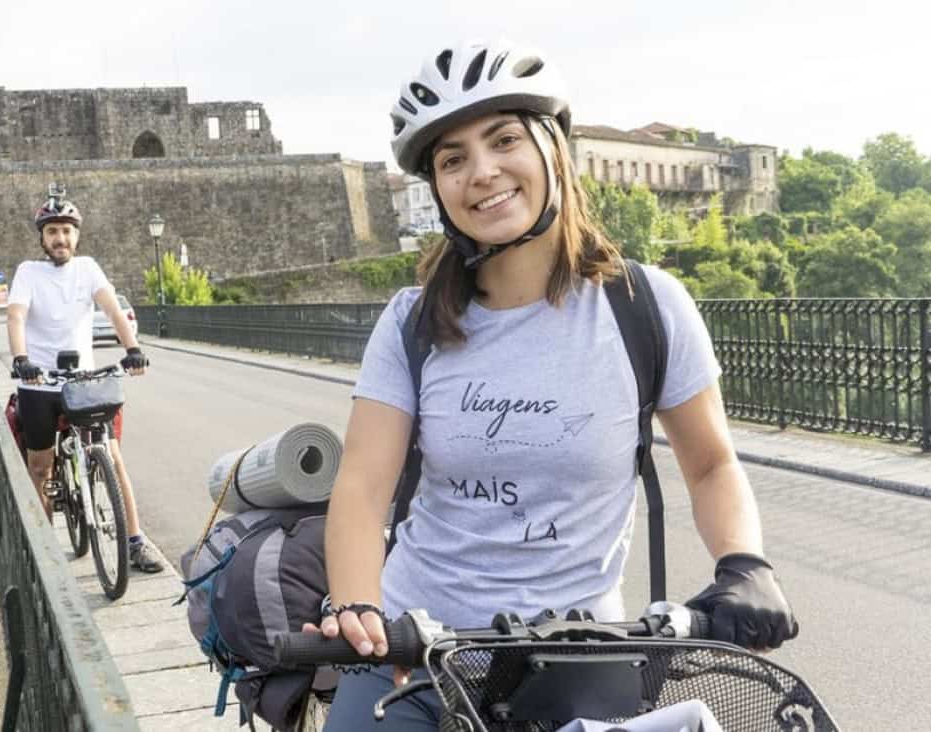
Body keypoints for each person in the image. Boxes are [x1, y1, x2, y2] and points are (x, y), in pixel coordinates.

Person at [313, 39, 798, 729]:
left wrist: (745, 564)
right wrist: (361, 611)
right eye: (452, 159)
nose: (482, 172)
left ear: (553, 149)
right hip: (418, 651)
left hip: (579, 655)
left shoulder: (646, 307)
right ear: (439, 188)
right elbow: (363, 489)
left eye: (504, 140)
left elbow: (712, 464)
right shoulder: (411, 323)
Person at [7, 191, 164, 574]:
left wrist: (133, 348)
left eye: (66, 231)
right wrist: (21, 359)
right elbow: (16, 316)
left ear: (76, 236)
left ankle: (135, 542)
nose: (60, 239)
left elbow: (113, 309)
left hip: (83, 384)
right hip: (39, 383)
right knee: (41, 468)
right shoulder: (28, 273)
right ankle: (44, 550)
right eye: (52, 232)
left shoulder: (88, 268)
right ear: (42, 238)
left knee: (111, 456)